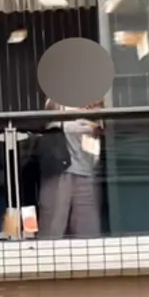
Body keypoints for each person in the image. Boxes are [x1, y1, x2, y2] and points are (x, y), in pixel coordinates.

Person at [37, 98, 103, 239]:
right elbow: (49, 114)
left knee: (88, 229)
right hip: (60, 171)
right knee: (53, 226)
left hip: (87, 171)